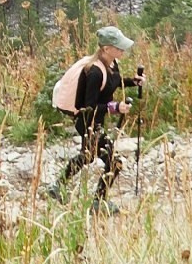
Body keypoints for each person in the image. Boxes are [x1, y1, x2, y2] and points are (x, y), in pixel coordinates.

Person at [47, 26, 142, 205]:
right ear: (106, 48)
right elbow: (88, 106)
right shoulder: (94, 72)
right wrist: (115, 107)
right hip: (86, 122)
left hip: (94, 121)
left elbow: (113, 83)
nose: (122, 50)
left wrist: (132, 82)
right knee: (114, 162)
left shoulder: (112, 63)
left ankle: (58, 186)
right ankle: (99, 202)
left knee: (87, 156)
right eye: (118, 47)